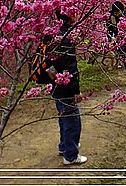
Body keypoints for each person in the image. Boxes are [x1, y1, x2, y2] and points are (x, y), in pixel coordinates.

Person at [47, 11, 87, 165]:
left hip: (55, 81)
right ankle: (70, 155)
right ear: (70, 16)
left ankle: (64, 146)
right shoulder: (66, 37)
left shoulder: (52, 33)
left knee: (63, 117)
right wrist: (75, 90)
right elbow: (70, 66)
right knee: (72, 120)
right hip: (65, 85)